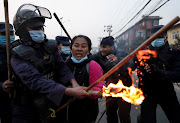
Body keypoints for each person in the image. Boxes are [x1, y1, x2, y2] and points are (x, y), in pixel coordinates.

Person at [10, 3, 90, 123]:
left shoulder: (50, 46)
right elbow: (36, 81)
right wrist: (69, 91)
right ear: (22, 30)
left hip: (49, 101)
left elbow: (61, 67)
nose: (40, 31)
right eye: (35, 28)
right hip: (26, 109)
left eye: (41, 28)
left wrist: (74, 83)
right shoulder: (18, 54)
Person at [135, 25, 180, 123]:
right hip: (147, 93)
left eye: (159, 37)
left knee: (176, 117)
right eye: (153, 38)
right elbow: (128, 65)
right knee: (147, 120)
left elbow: (178, 75)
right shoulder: (142, 53)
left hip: (166, 92)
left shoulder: (174, 53)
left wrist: (159, 72)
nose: (156, 40)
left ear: (165, 37)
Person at [90, 36, 132, 123]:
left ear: (112, 47)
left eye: (104, 47)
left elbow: (131, 65)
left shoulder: (123, 53)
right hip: (110, 88)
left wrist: (117, 61)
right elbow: (88, 60)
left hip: (124, 89)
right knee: (110, 112)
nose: (102, 49)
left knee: (123, 114)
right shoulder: (98, 56)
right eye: (101, 47)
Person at [65, 35, 104, 123]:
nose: (79, 49)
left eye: (83, 46)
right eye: (76, 45)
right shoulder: (65, 64)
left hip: (86, 113)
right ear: (71, 48)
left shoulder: (93, 66)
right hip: (66, 112)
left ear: (89, 50)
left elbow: (100, 90)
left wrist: (85, 91)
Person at [0, 22, 14, 123]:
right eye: (4, 33)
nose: (8, 36)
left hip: (17, 101)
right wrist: (1, 86)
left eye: (11, 33)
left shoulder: (17, 51)